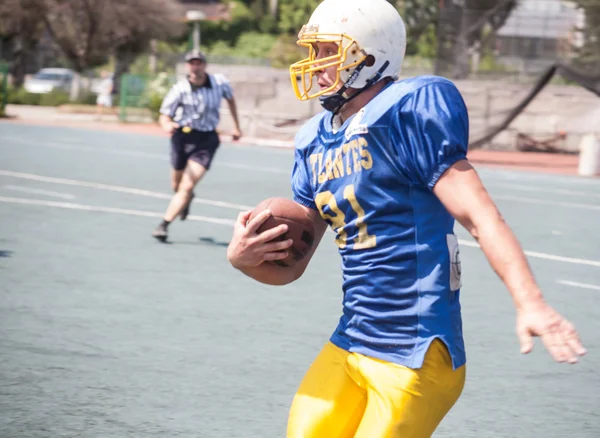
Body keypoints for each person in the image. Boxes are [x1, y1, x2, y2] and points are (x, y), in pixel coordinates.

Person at [226, 0, 587, 437]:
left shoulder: (407, 111)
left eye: (327, 51)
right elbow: (292, 265)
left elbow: (480, 216)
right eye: (314, 52)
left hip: (415, 350)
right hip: (352, 339)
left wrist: (531, 301)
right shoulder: (315, 141)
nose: (316, 65)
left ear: (370, 55)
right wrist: (245, 259)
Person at [152, 50, 242, 242]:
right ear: (187, 66)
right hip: (181, 138)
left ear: (204, 65)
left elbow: (231, 100)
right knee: (176, 185)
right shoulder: (180, 89)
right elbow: (164, 114)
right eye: (192, 63)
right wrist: (167, 124)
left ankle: (164, 225)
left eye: (199, 62)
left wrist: (236, 126)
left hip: (206, 140)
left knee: (187, 184)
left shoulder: (219, 83)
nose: (196, 66)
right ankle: (186, 199)